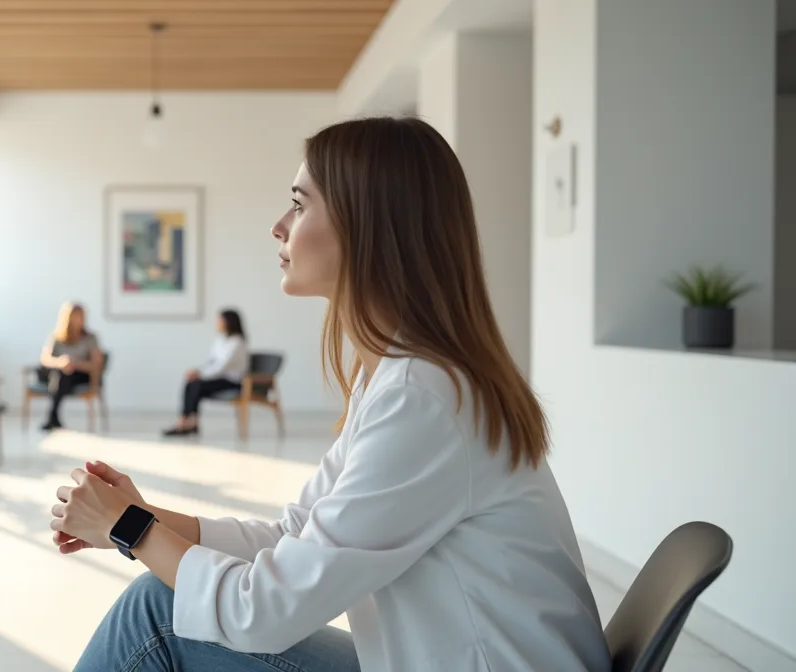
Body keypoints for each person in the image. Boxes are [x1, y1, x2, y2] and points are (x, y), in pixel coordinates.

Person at [49, 117, 611, 672]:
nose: (279, 226)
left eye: (299, 204)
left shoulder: (423, 398)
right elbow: (291, 536)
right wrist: (145, 516)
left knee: (156, 614)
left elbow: (261, 612)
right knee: (161, 602)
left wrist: (130, 529)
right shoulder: (398, 377)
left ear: (368, 227)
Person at [162, 309, 251, 437]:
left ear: (229, 322)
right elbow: (212, 363)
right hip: (218, 379)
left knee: (196, 384)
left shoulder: (237, 342)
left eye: (220, 320)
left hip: (233, 382)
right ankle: (188, 422)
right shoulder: (220, 341)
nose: (217, 323)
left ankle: (188, 423)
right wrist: (198, 372)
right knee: (191, 383)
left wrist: (200, 374)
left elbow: (222, 367)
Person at [37, 302, 102, 431]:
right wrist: (61, 362)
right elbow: (45, 359)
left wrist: (76, 363)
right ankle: (53, 418)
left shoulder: (90, 338)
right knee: (60, 374)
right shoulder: (56, 337)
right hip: (58, 373)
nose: (80, 320)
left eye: (82, 316)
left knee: (62, 375)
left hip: (80, 374)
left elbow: (96, 364)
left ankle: (52, 417)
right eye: (77, 316)